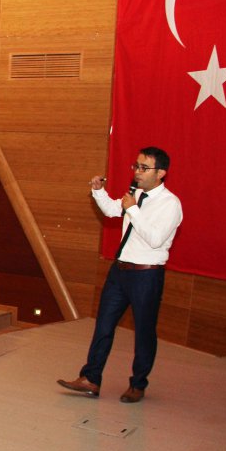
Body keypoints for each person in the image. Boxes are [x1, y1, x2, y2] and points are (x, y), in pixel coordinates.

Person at [58, 146, 183, 403]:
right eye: (136, 166)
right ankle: (91, 378)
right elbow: (113, 210)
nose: (137, 172)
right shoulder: (135, 194)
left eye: (144, 168)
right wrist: (98, 191)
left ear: (161, 173)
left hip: (146, 275)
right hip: (120, 272)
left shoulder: (170, 203)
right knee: (103, 325)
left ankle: (138, 384)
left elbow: (156, 239)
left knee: (144, 331)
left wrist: (133, 210)